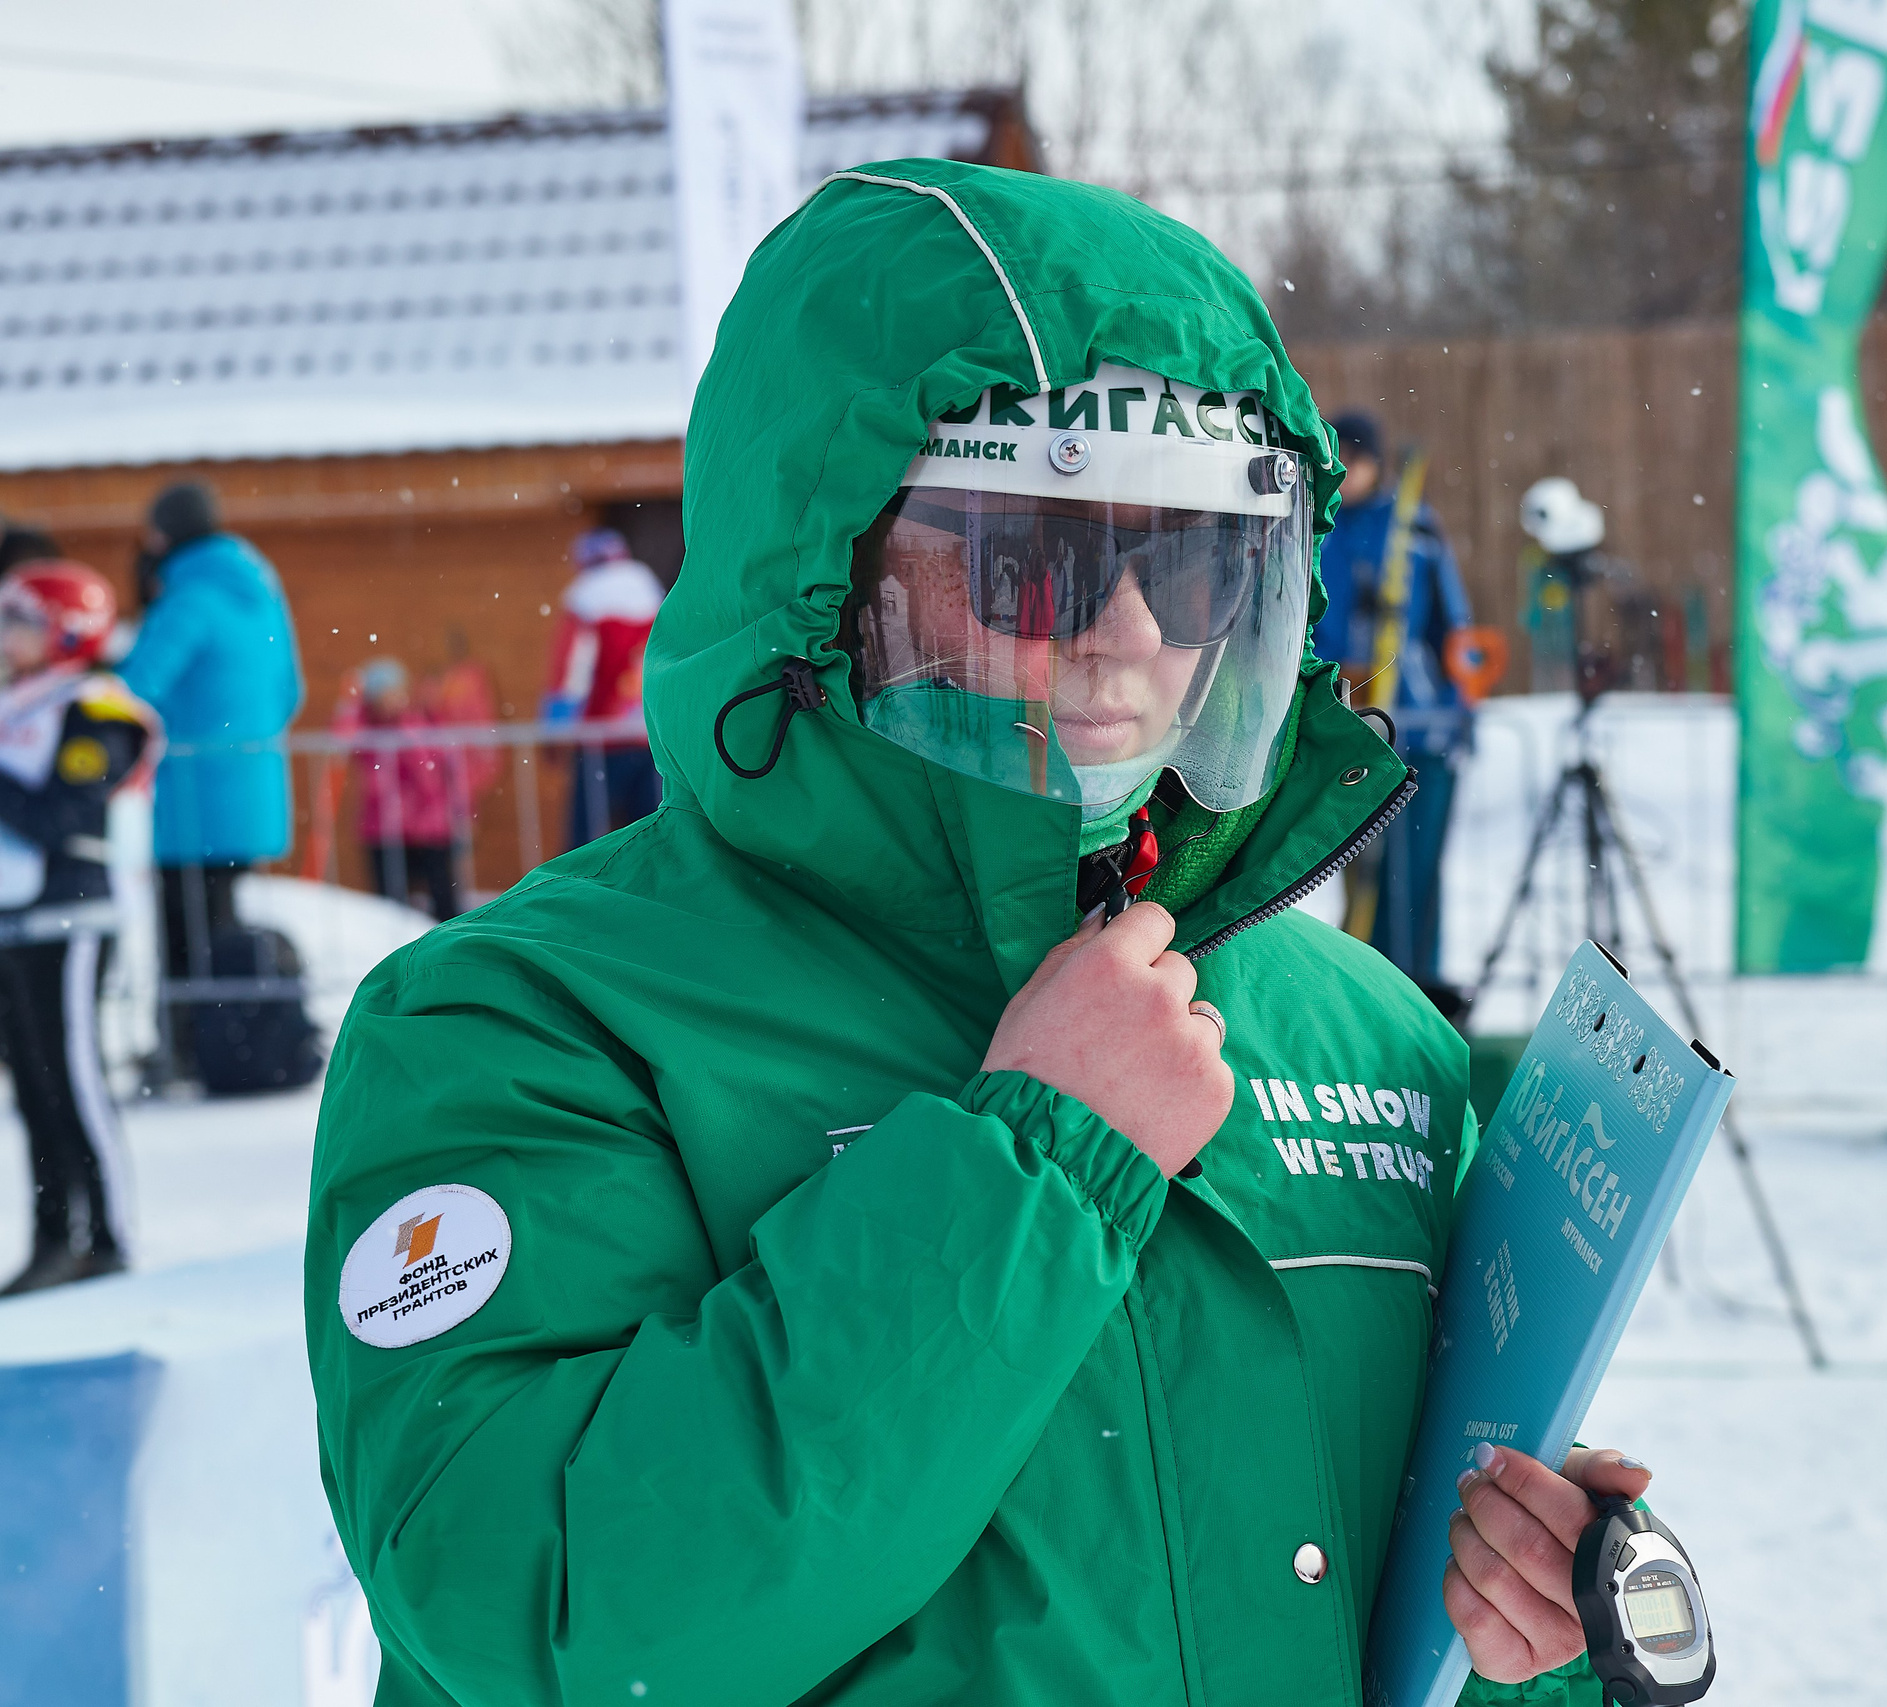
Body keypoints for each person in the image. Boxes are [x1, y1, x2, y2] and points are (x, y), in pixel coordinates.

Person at [306, 164, 1655, 1706]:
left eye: (1199, 563)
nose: (1134, 635)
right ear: (830, 566)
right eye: (1041, 560)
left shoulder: (1369, 1031)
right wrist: (1036, 1159)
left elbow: (1388, 1609)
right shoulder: (526, 1025)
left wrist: (1539, 1626)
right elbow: (548, 1615)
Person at [0, 561, 159, 1294]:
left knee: (74, 1078)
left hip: (70, 915)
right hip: (14, 918)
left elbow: (59, 812)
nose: (6, 637)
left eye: (20, 621)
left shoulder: (98, 709)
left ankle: (110, 1234)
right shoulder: (17, 704)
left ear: (68, 631)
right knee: (31, 1086)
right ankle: (52, 1238)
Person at [118, 481, 306, 1056]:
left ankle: (186, 1049)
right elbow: (289, 692)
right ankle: (230, 1042)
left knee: (184, 930)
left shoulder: (188, 597)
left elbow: (134, 688)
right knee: (218, 926)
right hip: (252, 790)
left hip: (194, 799)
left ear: (164, 535)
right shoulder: (259, 588)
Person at [1310, 412, 1477, 1006]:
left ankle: (1416, 994)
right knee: (1363, 871)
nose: (1349, 471)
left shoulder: (1412, 529)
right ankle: (1368, 989)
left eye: (1360, 458)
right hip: (1353, 728)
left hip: (1421, 731)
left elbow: (1452, 629)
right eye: (1340, 458)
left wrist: (1460, 714)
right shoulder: (1311, 527)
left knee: (1416, 874)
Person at [542, 527, 664, 847]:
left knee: (588, 837)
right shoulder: (654, 600)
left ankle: (579, 895)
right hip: (650, 737)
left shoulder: (586, 603)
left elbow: (573, 677)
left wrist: (555, 729)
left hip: (601, 738)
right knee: (651, 831)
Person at [333, 658, 463, 921]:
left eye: (395, 692)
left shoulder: (416, 723)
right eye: (383, 694)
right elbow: (339, 740)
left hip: (427, 827)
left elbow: (428, 771)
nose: (390, 700)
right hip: (383, 828)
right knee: (388, 906)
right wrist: (351, 705)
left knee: (443, 900)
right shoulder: (367, 728)